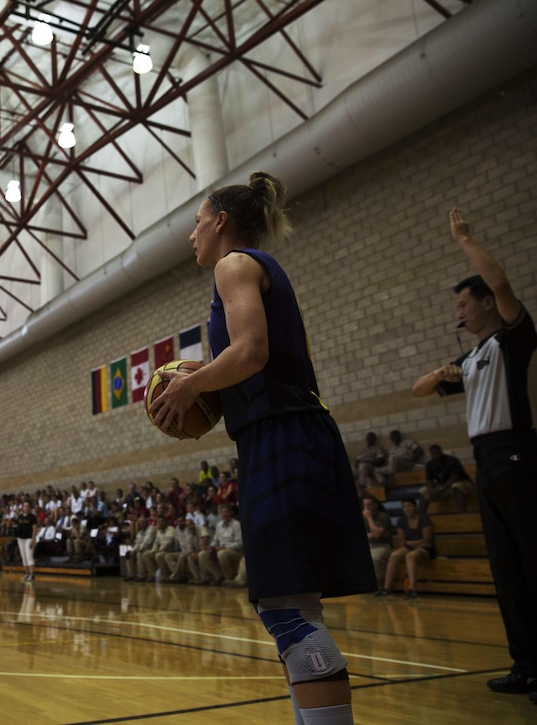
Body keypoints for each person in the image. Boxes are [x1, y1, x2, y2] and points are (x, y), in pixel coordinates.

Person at [149, 172, 376, 724]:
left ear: (221, 221)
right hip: (286, 431)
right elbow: (256, 365)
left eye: (197, 223)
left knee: (289, 617)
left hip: (283, 435)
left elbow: (250, 352)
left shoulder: (234, 265)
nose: (191, 236)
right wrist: (208, 384)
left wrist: (191, 385)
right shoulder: (246, 271)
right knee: (293, 607)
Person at [412, 208, 537, 707]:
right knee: (508, 571)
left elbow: (502, 281)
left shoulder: (515, 338)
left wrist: (465, 240)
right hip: (486, 461)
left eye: (464, 303)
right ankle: (529, 665)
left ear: (489, 303)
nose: (459, 312)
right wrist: (439, 374)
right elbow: (419, 390)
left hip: (519, 453)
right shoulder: (471, 359)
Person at [378, 498, 434, 600]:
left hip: (426, 549)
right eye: (404, 507)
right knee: (394, 555)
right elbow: (403, 542)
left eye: (409, 506)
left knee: (410, 556)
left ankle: (412, 589)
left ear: (415, 507)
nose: (407, 508)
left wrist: (412, 544)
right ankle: (387, 588)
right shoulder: (401, 521)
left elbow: (427, 541)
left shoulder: (424, 519)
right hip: (410, 547)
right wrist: (414, 543)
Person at [418, 444, 472, 514]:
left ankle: (462, 514)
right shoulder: (430, 464)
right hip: (443, 486)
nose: (435, 456)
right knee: (423, 491)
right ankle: (421, 518)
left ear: (441, 452)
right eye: (433, 454)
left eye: (437, 453)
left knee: (457, 487)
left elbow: (455, 477)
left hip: (463, 483)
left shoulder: (452, 460)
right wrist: (431, 489)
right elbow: (429, 479)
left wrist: (441, 489)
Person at [361, 494, 393, 593]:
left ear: (375, 505)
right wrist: (372, 534)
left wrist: (369, 518)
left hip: (382, 545)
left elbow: (378, 534)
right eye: (365, 505)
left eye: (369, 505)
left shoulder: (383, 517)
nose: (367, 508)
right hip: (368, 545)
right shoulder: (360, 516)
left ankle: (379, 586)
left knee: (375, 557)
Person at [13, 501, 38, 582]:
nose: (26, 507)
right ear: (23, 507)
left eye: (27, 506)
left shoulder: (32, 517)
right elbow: (17, 526)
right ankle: (27, 574)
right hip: (20, 539)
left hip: (29, 538)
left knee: (29, 556)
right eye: (24, 506)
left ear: (29, 508)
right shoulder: (20, 517)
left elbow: (34, 529)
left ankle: (32, 574)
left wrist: (33, 539)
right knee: (24, 557)